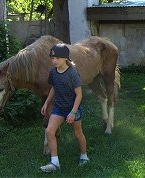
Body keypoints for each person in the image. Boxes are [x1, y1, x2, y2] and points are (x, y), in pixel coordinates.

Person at [40, 43, 89, 172]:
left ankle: (84, 156)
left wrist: (73, 112)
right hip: (59, 108)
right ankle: (55, 163)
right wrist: (46, 103)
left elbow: (79, 95)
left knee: (78, 133)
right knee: (49, 131)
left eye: (57, 58)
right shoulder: (53, 72)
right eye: (52, 58)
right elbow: (54, 88)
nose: (54, 61)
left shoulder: (72, 73)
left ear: (65, 58)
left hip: (73, 108)